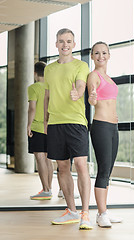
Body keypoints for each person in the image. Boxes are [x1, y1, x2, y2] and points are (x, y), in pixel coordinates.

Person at [44, 28, 92, 230]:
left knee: (81, 164)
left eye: (69, 41)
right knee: (62, 167)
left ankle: (86, 214)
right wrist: (45, 120)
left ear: (74, 44)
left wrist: (78, 93)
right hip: (55, 123)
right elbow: (46, 96)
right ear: (56, 44)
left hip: (76, 121)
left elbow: (81, 85)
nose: (65, 44)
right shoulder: (49, 69)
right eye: (61, 41)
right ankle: (71, 210)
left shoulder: (81, 65)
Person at [87, 41, 122, 227]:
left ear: (109, 55)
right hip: (101, 126)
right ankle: (101, 215)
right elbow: (92, 97)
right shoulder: (93, 76)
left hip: (113, 128)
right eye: (97, 53)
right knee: (103, 171)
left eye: (104, 53)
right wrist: (92, 99)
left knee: (107, 172)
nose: (101, 56)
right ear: (92, 56)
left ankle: (105, 211)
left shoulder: (108, 77)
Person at [27, 61, 53, 200]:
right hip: (50, 127)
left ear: (35, 73)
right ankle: (49, 188)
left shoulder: (33, 88)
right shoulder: (50, 87)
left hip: (37, 127)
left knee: (40, 158)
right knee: (48, 159)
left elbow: (32, 108)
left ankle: (46, 189)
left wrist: (28, 125)